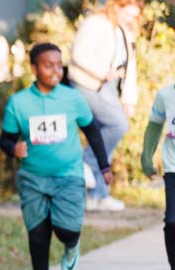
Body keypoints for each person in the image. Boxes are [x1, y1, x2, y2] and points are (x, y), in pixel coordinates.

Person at [0, 43, 111, 270]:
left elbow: (92, 130)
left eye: (59, 65)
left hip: (68, 174)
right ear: (34, 68)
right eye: (48, 65)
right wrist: (13, 148)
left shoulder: (72, 98)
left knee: (67, 230)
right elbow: (4, 140)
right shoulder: (19, 103)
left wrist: (104, 166)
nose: (55, 70)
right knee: (38, 232)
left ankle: (72, 245)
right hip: (33, 178)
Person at [69, 0, 142, 211]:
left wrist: (129, 99)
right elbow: (78, 55)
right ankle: (84, 164)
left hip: (110, 88)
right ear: (117, 6)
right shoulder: (95, 23)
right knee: (117, 125)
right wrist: (102, 72)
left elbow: (129, 66)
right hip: (88, 84)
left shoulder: (123, 30)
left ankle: (97, 195)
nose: (131, 20)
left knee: (104, 136)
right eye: (128, 14)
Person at [141, 81, 175, 270]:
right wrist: (146, 156)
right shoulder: (165, 95)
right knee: (172, 222)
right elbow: (154, 126)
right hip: (173, 167)